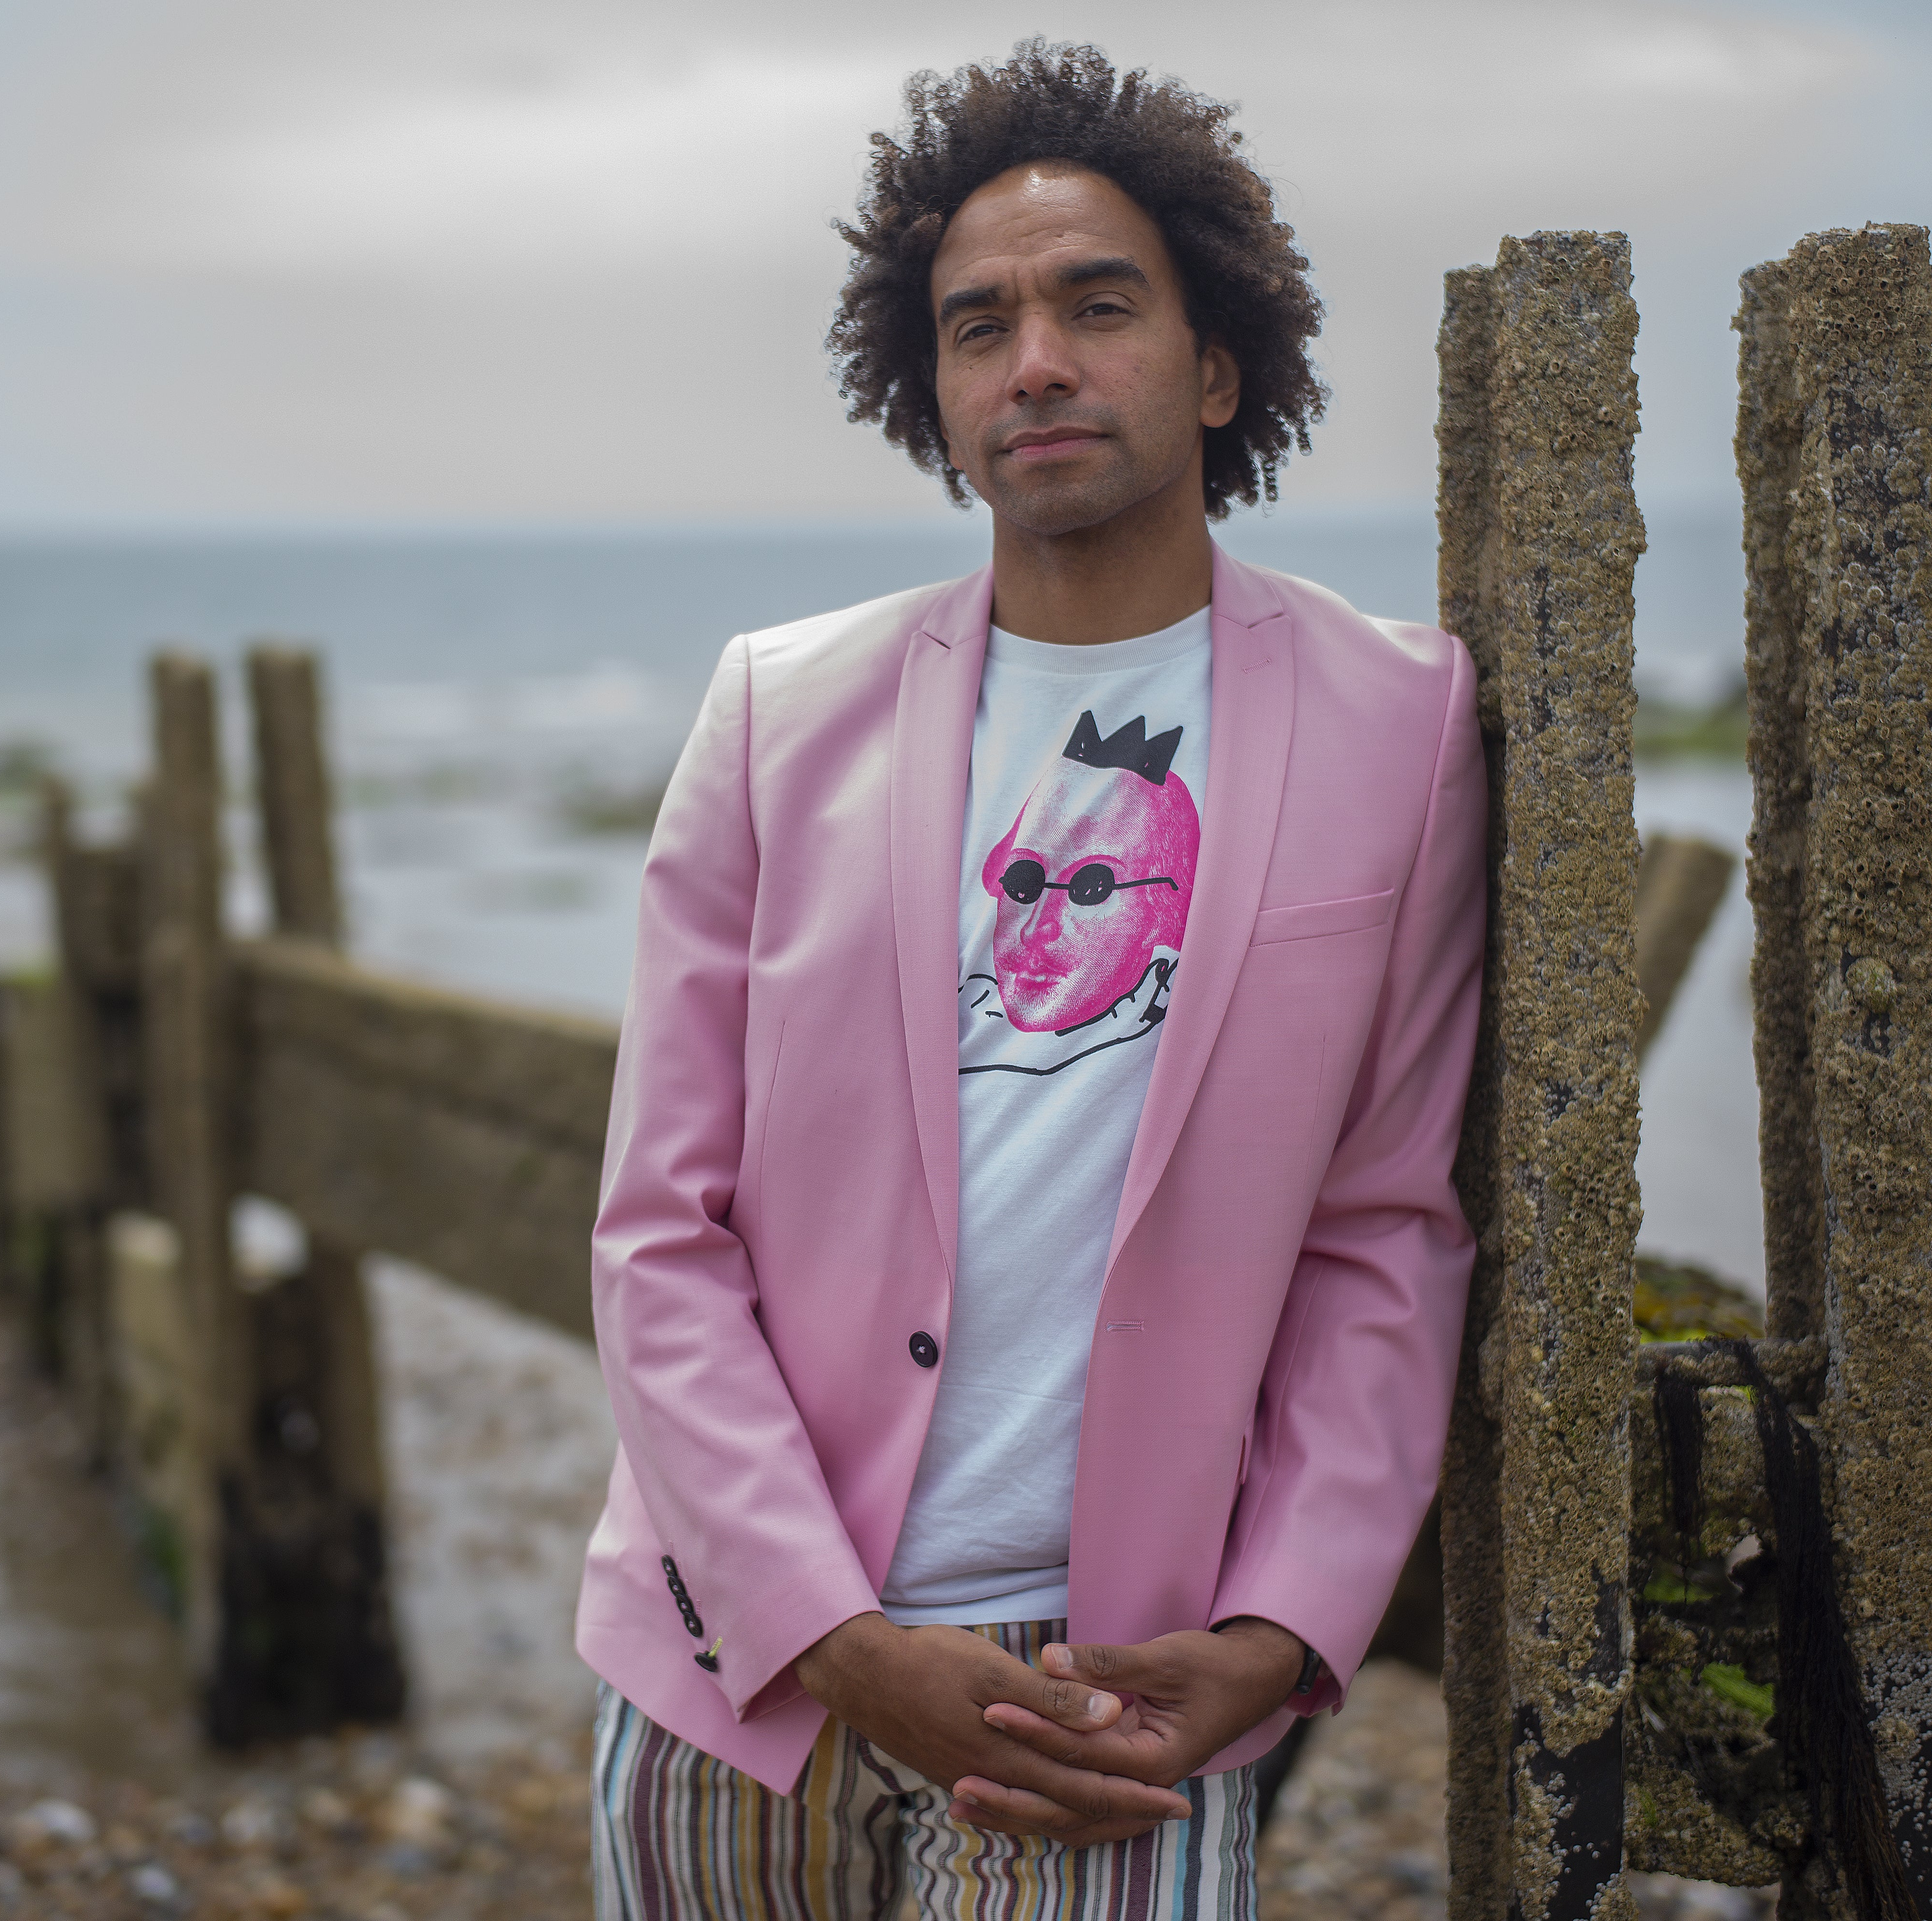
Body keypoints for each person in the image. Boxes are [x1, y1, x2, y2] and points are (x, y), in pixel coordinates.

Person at [577, 39, 1485, 1919]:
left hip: (1111, 1698)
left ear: (1219, 360)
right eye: (980, 325)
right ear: (935, 392)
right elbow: (662, 1226)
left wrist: (1287, 1625)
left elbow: (1384, 1226)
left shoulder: (1405, 725)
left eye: (1097, 305)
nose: (1038, 362)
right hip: (740, 1672)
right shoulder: (774, 714)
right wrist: (827, 1628)